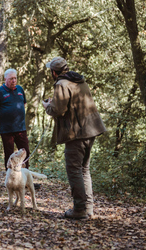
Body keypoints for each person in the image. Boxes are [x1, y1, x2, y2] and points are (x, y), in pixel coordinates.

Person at [42, 57, 106, 219]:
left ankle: (79, 209)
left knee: (74, 170)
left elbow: (59, 110)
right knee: (84, 170)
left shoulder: (61, 84)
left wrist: (48, 106)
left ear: (54, 72)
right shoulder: (79, 80)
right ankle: (87, 208)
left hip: (77, 133)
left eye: (51, 71)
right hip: (91, 129)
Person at [0, 69, 32, 171]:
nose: (13, 81)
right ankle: (10, 179)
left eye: (15, 78)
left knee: (26, 152)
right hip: (7, 129)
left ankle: (25, 178)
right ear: (5, 79)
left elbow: (23, 104)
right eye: (11, 78)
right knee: (9, 154)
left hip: (21, 128)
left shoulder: (20, 89)